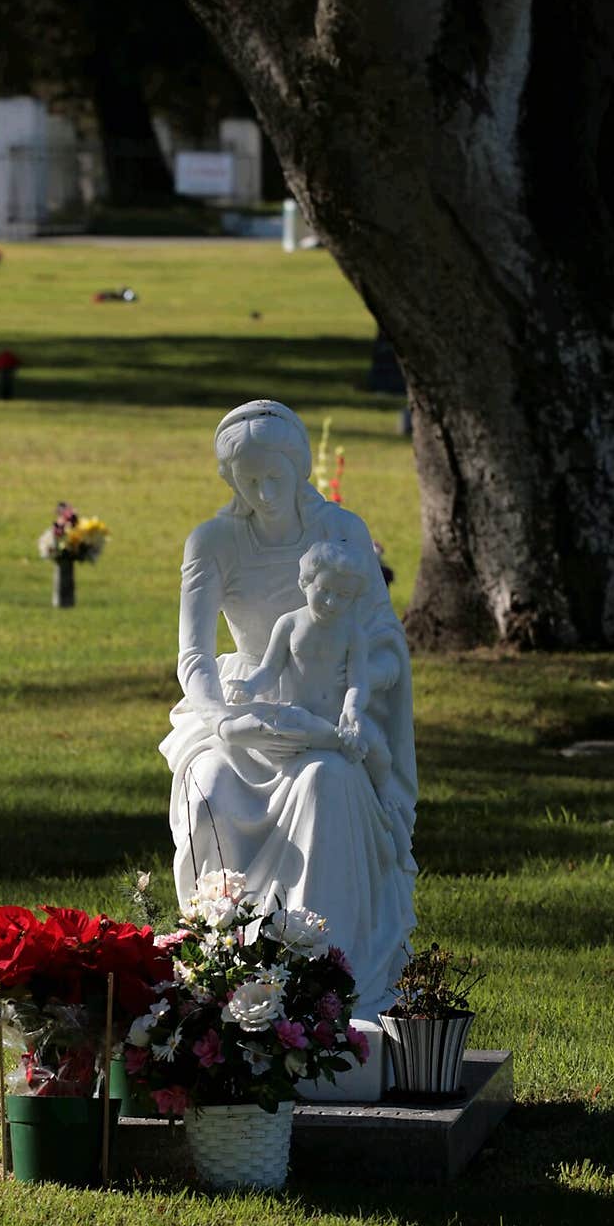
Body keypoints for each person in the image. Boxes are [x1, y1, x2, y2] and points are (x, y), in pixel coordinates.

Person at [159, 400, 417, 1015]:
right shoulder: (214, 542)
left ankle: (325, 982)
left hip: (325, 716)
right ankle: (223, 968)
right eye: (249, 479)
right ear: (231, 479)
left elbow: (382, 636)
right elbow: (193, 657)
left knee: (327, 780)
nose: (265, 490)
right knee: (208, 781)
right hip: (245, 709)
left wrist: (360, 690)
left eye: (275, 475)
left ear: (299, 468)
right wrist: (222, 720)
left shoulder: (342, 532)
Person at [224, 540, 403, 819]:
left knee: (378, 748)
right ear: (306, 582)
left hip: (337, 716)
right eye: (324, 590)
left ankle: (384, 785)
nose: (332, 602)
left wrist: (352, 709)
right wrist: (249, 687)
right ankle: (333, 741)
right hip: (298, 711)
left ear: (354, 597)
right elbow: (270, 669)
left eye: (343, 595)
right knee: (274, 727)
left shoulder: (353, 633)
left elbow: (358, 682)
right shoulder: (290, 624)